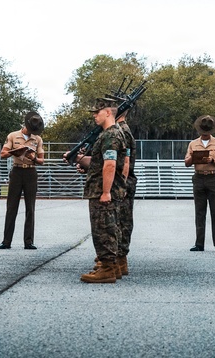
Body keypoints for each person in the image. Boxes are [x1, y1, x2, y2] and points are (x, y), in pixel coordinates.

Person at [77, 96, 127, 283]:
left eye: (97, 112)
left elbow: (110, 165)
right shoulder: (110, 133)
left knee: (103, 229)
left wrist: (105, 192)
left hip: (103, 191)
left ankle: (107, 269)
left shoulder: (110, 135)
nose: (94, 116)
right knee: (108, 227)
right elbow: (100, 162)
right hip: (102, 189)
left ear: (107, 112)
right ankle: (111, 266)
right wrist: (79, 159)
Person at [0, 111, 45, 250]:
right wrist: (15, 151)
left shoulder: (37, 139)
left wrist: (34, 158)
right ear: (26, 125)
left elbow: (42, 160)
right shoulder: (13, 136)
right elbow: (2, 154)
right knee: (11, 207)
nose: (32, 132)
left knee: (30, 207)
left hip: (30, 172)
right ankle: (6, 241)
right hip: (17, 171)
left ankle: (28, 241)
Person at [185, 115, 215, 252]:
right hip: (198, 177)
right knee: (199, 212)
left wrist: (213, 161)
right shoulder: (193, 144)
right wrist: (194, 157)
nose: (205, 133)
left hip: (213, 177)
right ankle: (199, 243)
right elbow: (186, 163)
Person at [115, 106, 137, 275]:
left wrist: (121, 185)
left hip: (122, 182)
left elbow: (125, 162)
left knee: (122, 221)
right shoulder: (120, 130)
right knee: (118, 220)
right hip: (121, 181)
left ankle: (119, 259)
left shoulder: (122, 131)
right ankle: (117, 259)